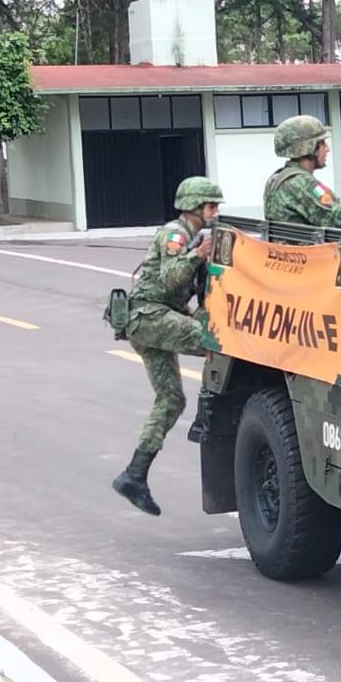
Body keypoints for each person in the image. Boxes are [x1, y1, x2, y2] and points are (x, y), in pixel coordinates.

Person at [112, 176, 223, 516]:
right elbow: (169, 279)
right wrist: (197, 256)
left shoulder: (190, 236)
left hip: (153, 319)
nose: (216, 212)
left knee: (172, 399)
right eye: (212, 206)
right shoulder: (176, 235)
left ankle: (134, 475)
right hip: (148, 316)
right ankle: (215, 413)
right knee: (215, 342)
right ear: (196, 207)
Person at [264, 114, 341, 228]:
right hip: (310, 245)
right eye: (322, 143)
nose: (327, 149)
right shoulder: (304, 184)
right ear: (311, 147)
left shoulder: (276, 178)